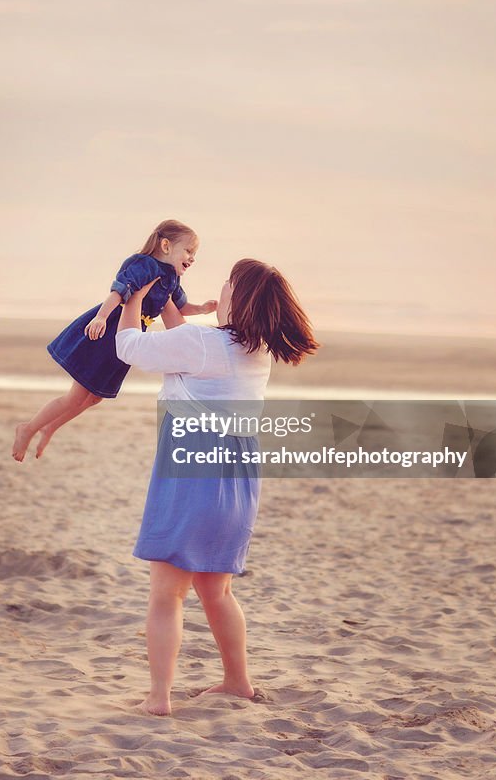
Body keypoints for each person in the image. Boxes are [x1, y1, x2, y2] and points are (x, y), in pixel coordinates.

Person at [112, 258, 319, 716]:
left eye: (226, 284)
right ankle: (237, 681)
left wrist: (131, 298)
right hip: (237, 481)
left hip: (191, 477)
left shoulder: (201, 343)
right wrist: (168, 306)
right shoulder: (255, 351)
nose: (219, 289)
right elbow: (184, 343)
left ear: (236, 298)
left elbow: (130, 346)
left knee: (166, 594)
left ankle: (159, 697)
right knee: (216, 590)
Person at [12, 219, 216, 462]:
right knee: (76, 396)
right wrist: (100, 317)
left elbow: (178, 306)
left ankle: (50, 427)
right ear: (166, 245)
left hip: (128, 337)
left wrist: (202, 309)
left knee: (95, 397)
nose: (192, 258)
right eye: (189, 251)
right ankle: (29, 428)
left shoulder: (171, 277)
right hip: (109, 331)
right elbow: (119, 292)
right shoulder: (145, 265)